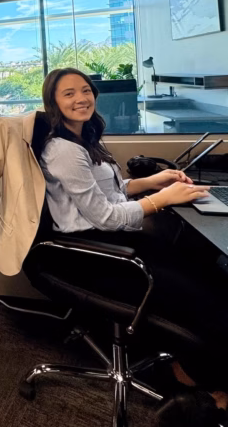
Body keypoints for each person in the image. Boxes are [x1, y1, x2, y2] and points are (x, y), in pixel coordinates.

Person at [38, 68, 228, 426]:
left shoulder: (84, 138)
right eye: (68, 94)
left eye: (85, 90)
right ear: (54, 103)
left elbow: (109, 193)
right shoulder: (63, 150)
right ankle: (209, 384)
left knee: (201, 267)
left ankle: (186, 364)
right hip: (92, 253)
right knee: (200, 292)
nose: (81, 98)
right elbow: (106, 217)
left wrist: (155, 181)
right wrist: (162, 200)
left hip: (113, 241)